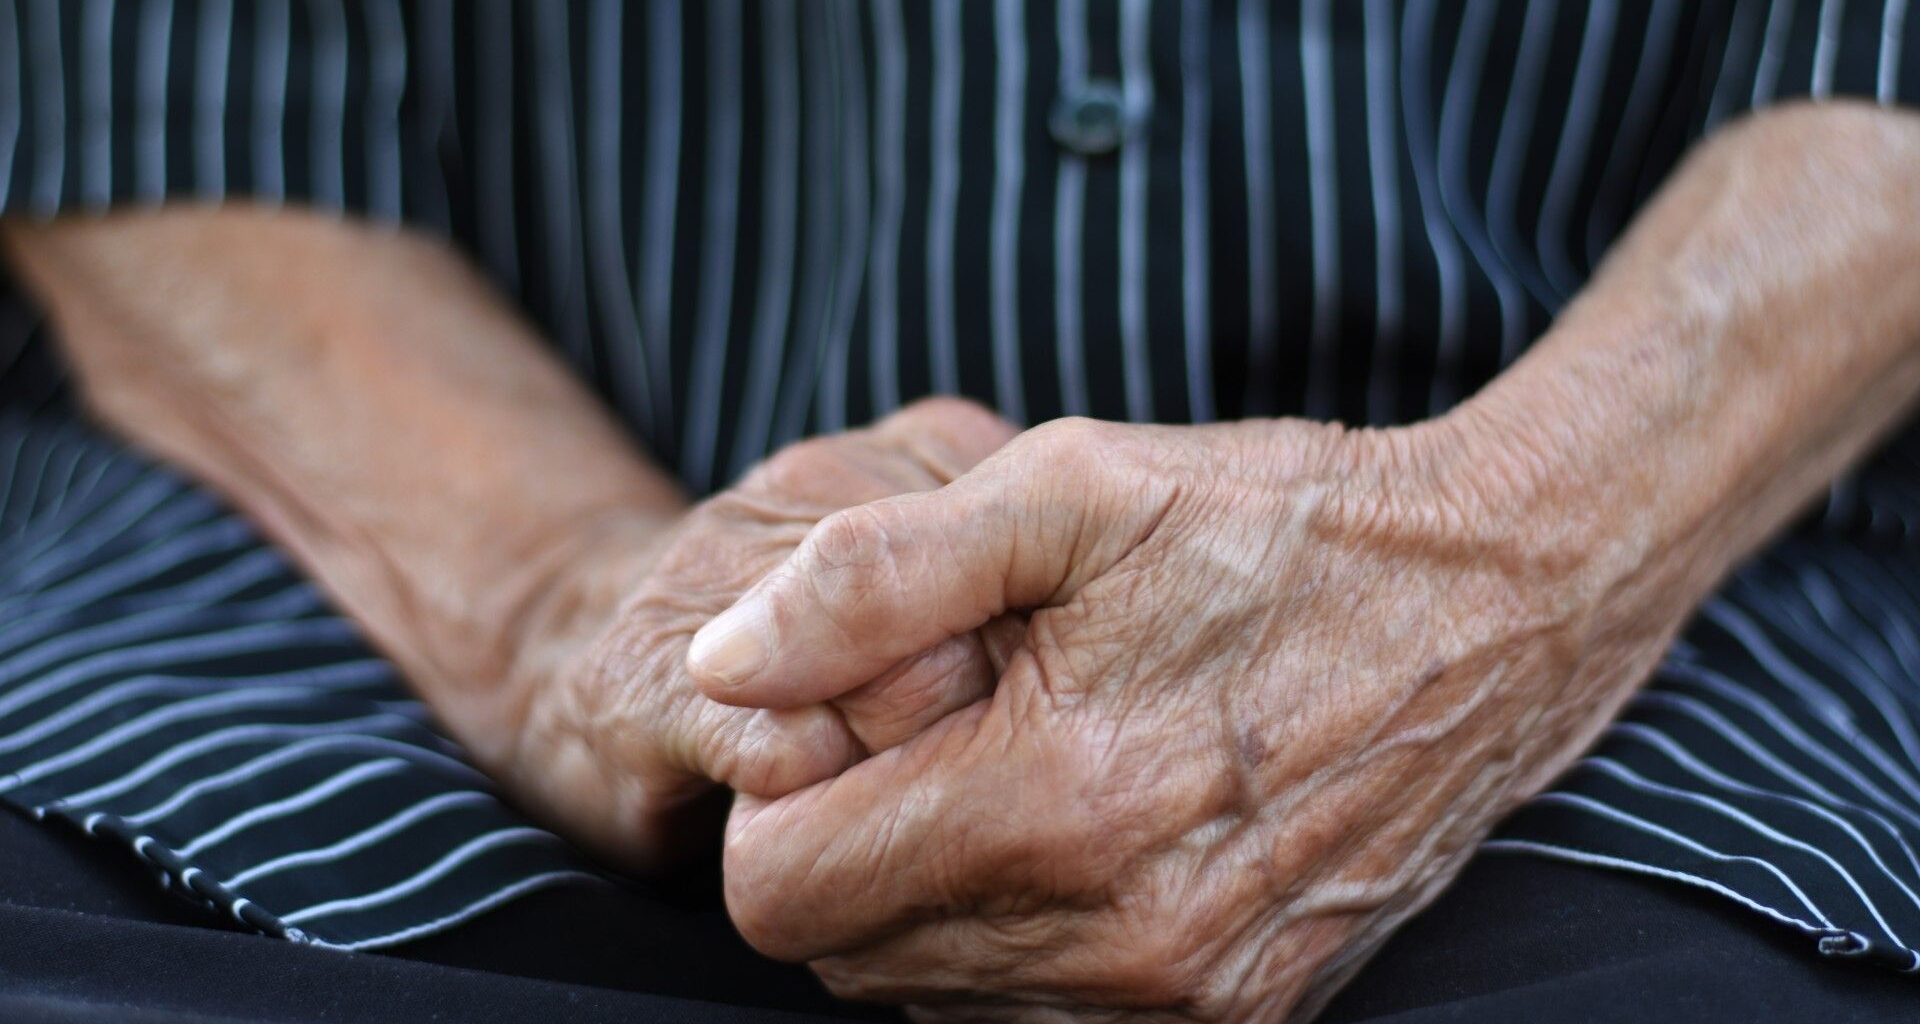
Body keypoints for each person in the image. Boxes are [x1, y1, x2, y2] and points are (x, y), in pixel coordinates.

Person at [2, 2, 1920, 1021]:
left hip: (1685, 604)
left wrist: (1511, 545)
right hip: (357, 597)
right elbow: (157, 101)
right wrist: (574, 619)